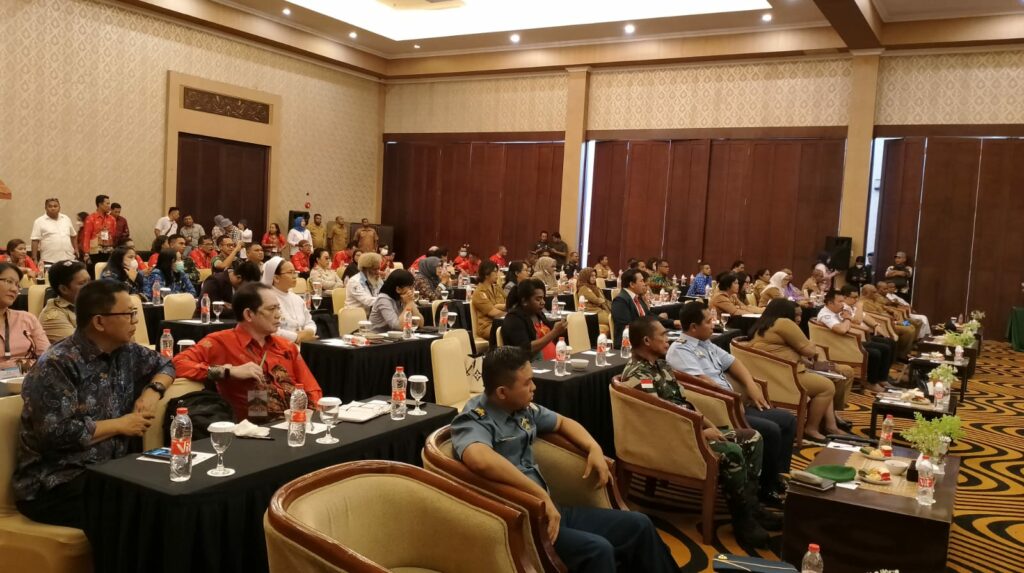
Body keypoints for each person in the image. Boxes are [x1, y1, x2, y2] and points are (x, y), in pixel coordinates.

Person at [452, 346, 679, 573]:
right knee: (598, 550)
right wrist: (540, 495)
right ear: (502, 392)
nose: (534, 387)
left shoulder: (520, 407)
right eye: (527, 383)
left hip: (552, 509)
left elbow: (562, 422)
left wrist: (593, 447)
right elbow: (479, 458)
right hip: (520, 522)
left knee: (639, 524)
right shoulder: (474, 419)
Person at [13, 280, 174, 529]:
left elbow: (166, 365)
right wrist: (120, 425)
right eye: (129, 314)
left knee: (173, 493)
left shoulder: (127, 351)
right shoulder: (58, 363)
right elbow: (56, 432)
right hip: (56, 482)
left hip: (112, 471)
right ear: (99, 322)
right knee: (142, 511)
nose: (135, 321)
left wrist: (153, 392)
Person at [621, 317, 778, 547]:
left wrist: (708, 425)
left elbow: (683, 403)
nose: (667, 339)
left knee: (753, 437)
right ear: (646, 341)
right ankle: (743, 520)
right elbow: (658, 419)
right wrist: (699, 434)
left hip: (689, 428)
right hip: (672, 439)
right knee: (732, 451)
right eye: (662, 335)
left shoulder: (661, 365)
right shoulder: (639, 374)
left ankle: (751, 506)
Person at [666, 301, 796, 505]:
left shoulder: (706, 343)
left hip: (733, 404)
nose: (713, 324)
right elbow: (702, 383)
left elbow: (734, 363)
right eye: (708, 321)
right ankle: (765, 489)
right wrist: (733, 398)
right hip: (719, 408)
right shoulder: (680, 350)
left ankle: (775, 476)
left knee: (787, 420)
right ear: (693, 327)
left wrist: (750, 386)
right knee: (771, 430)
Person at [173, 282, 322, 423]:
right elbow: (178, 364)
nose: (279, 315)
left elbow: (312, 389)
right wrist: (227, 371)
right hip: (253, 429)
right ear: (249, 314)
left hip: (298, 422)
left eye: (278, 308)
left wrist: (312, 418)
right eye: (271, 309)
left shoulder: (286, 346)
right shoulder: (221, 342)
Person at [748, 299, 854, 441]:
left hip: (798, 368)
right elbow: (810, 351)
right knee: (827, 385)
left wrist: (820, 357)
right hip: (787, 373)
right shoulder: (784, 323)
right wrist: (813, 348)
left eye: (800, 315)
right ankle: (814, 428)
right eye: (796, 315)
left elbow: (808, 354)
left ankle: (831, 420)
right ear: (786, 313)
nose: (799, 319)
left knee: (846, 371)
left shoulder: (765, 326)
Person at [817, 290, 892, 392]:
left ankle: (882, 379)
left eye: (843, 301)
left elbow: (849, 325)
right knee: (875, 353)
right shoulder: (826, 315)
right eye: (840, 301)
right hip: (838, 346)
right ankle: (871, 382)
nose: (843, 304)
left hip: (847, 342)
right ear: (830, 303)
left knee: (885, 348)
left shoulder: (836, 312)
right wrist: (847, 319)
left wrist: (851, 321)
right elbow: (842, 329)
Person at [501, 279, 568, 362]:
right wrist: (554, 332)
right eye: (538, 299)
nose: (543, 302)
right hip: (531, 367)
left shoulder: (538, 314)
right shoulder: (513, 319)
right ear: (524, 301)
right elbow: (525, 350)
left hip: (552, 363)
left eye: (543, 298)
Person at [0, 263, 50, 373]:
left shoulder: (27, 318)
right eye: (9, 281)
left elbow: (47, 358)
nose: (14, 289)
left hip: (29, 379)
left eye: (17, 285)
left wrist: (22, 366)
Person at [610, 269, 678, 348]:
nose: (644, 284)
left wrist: (673, 323)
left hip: (644, 338)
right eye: (641, 281)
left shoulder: (637, 297)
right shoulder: (620, 300)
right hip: (630, 345)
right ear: (632, 284)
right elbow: (626, 327)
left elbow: (649, 316)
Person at [261, 257, 316, 344]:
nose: (295, 276)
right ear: (276, 278)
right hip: (279, 346)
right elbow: (272, 330)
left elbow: (309, 322)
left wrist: (310, 331)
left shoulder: (297, 299)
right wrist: (296, 337)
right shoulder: (266, 300)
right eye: (290, 273)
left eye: (295, 272)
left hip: (303, 343)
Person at [860, 284, 917, 358]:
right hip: (887, 323)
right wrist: (891, 318)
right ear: (866, 293)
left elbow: (883, 306)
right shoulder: (864, 303)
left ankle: (908, 350)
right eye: (874, 292)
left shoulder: (874, 299)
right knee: (908, 330)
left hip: (894, 320)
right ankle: (901, 355)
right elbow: (874, 315)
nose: (876, 294)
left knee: (912, 325)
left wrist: (890, 310)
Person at [39, 260, 90, 344]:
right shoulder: (53, 317)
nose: (90, 286)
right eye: (82, 283)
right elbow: (80, 346)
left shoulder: (90, 303)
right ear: (63, 289)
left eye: (89, 281)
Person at [30, 198, 79, 265]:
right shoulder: (39, 221)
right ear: (45, 208)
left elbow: (73, 235)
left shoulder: (66, 218)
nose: (53, 208)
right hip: (49, 260)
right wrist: (34, 258)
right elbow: (35, 240)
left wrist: (76, 248)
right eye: (50, 206)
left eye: (55, 206)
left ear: (59, 207)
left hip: (68, 258)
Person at [471, 261, 506, 340]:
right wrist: (510, 315)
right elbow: (492, 312)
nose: (497, 274)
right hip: (487, 326)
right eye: (495, 272)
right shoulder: (479, 292)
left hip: (500, 322)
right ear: (486, 274)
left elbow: (505, 304)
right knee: (511, 329)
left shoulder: (497, 288)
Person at [81, 194, 117, 264]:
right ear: (100, 204)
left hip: (108, 251)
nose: (109, 206)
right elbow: (87, 236)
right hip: (94, 252)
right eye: (107, 203)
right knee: (95, 269)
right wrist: (86, 253)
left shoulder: (112, 219)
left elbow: (113, 235)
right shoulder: (91, 218)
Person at [576, 267, 612, 333]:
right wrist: (604, 301)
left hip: (599, 310)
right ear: (585, 276)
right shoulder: (583, 288)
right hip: (592, 313)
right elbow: (596, 300)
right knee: (614, 319)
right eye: (591, 276)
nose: (594, 278)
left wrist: (604, 301)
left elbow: (602, 299)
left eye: (595, 276)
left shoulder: (594, 287)